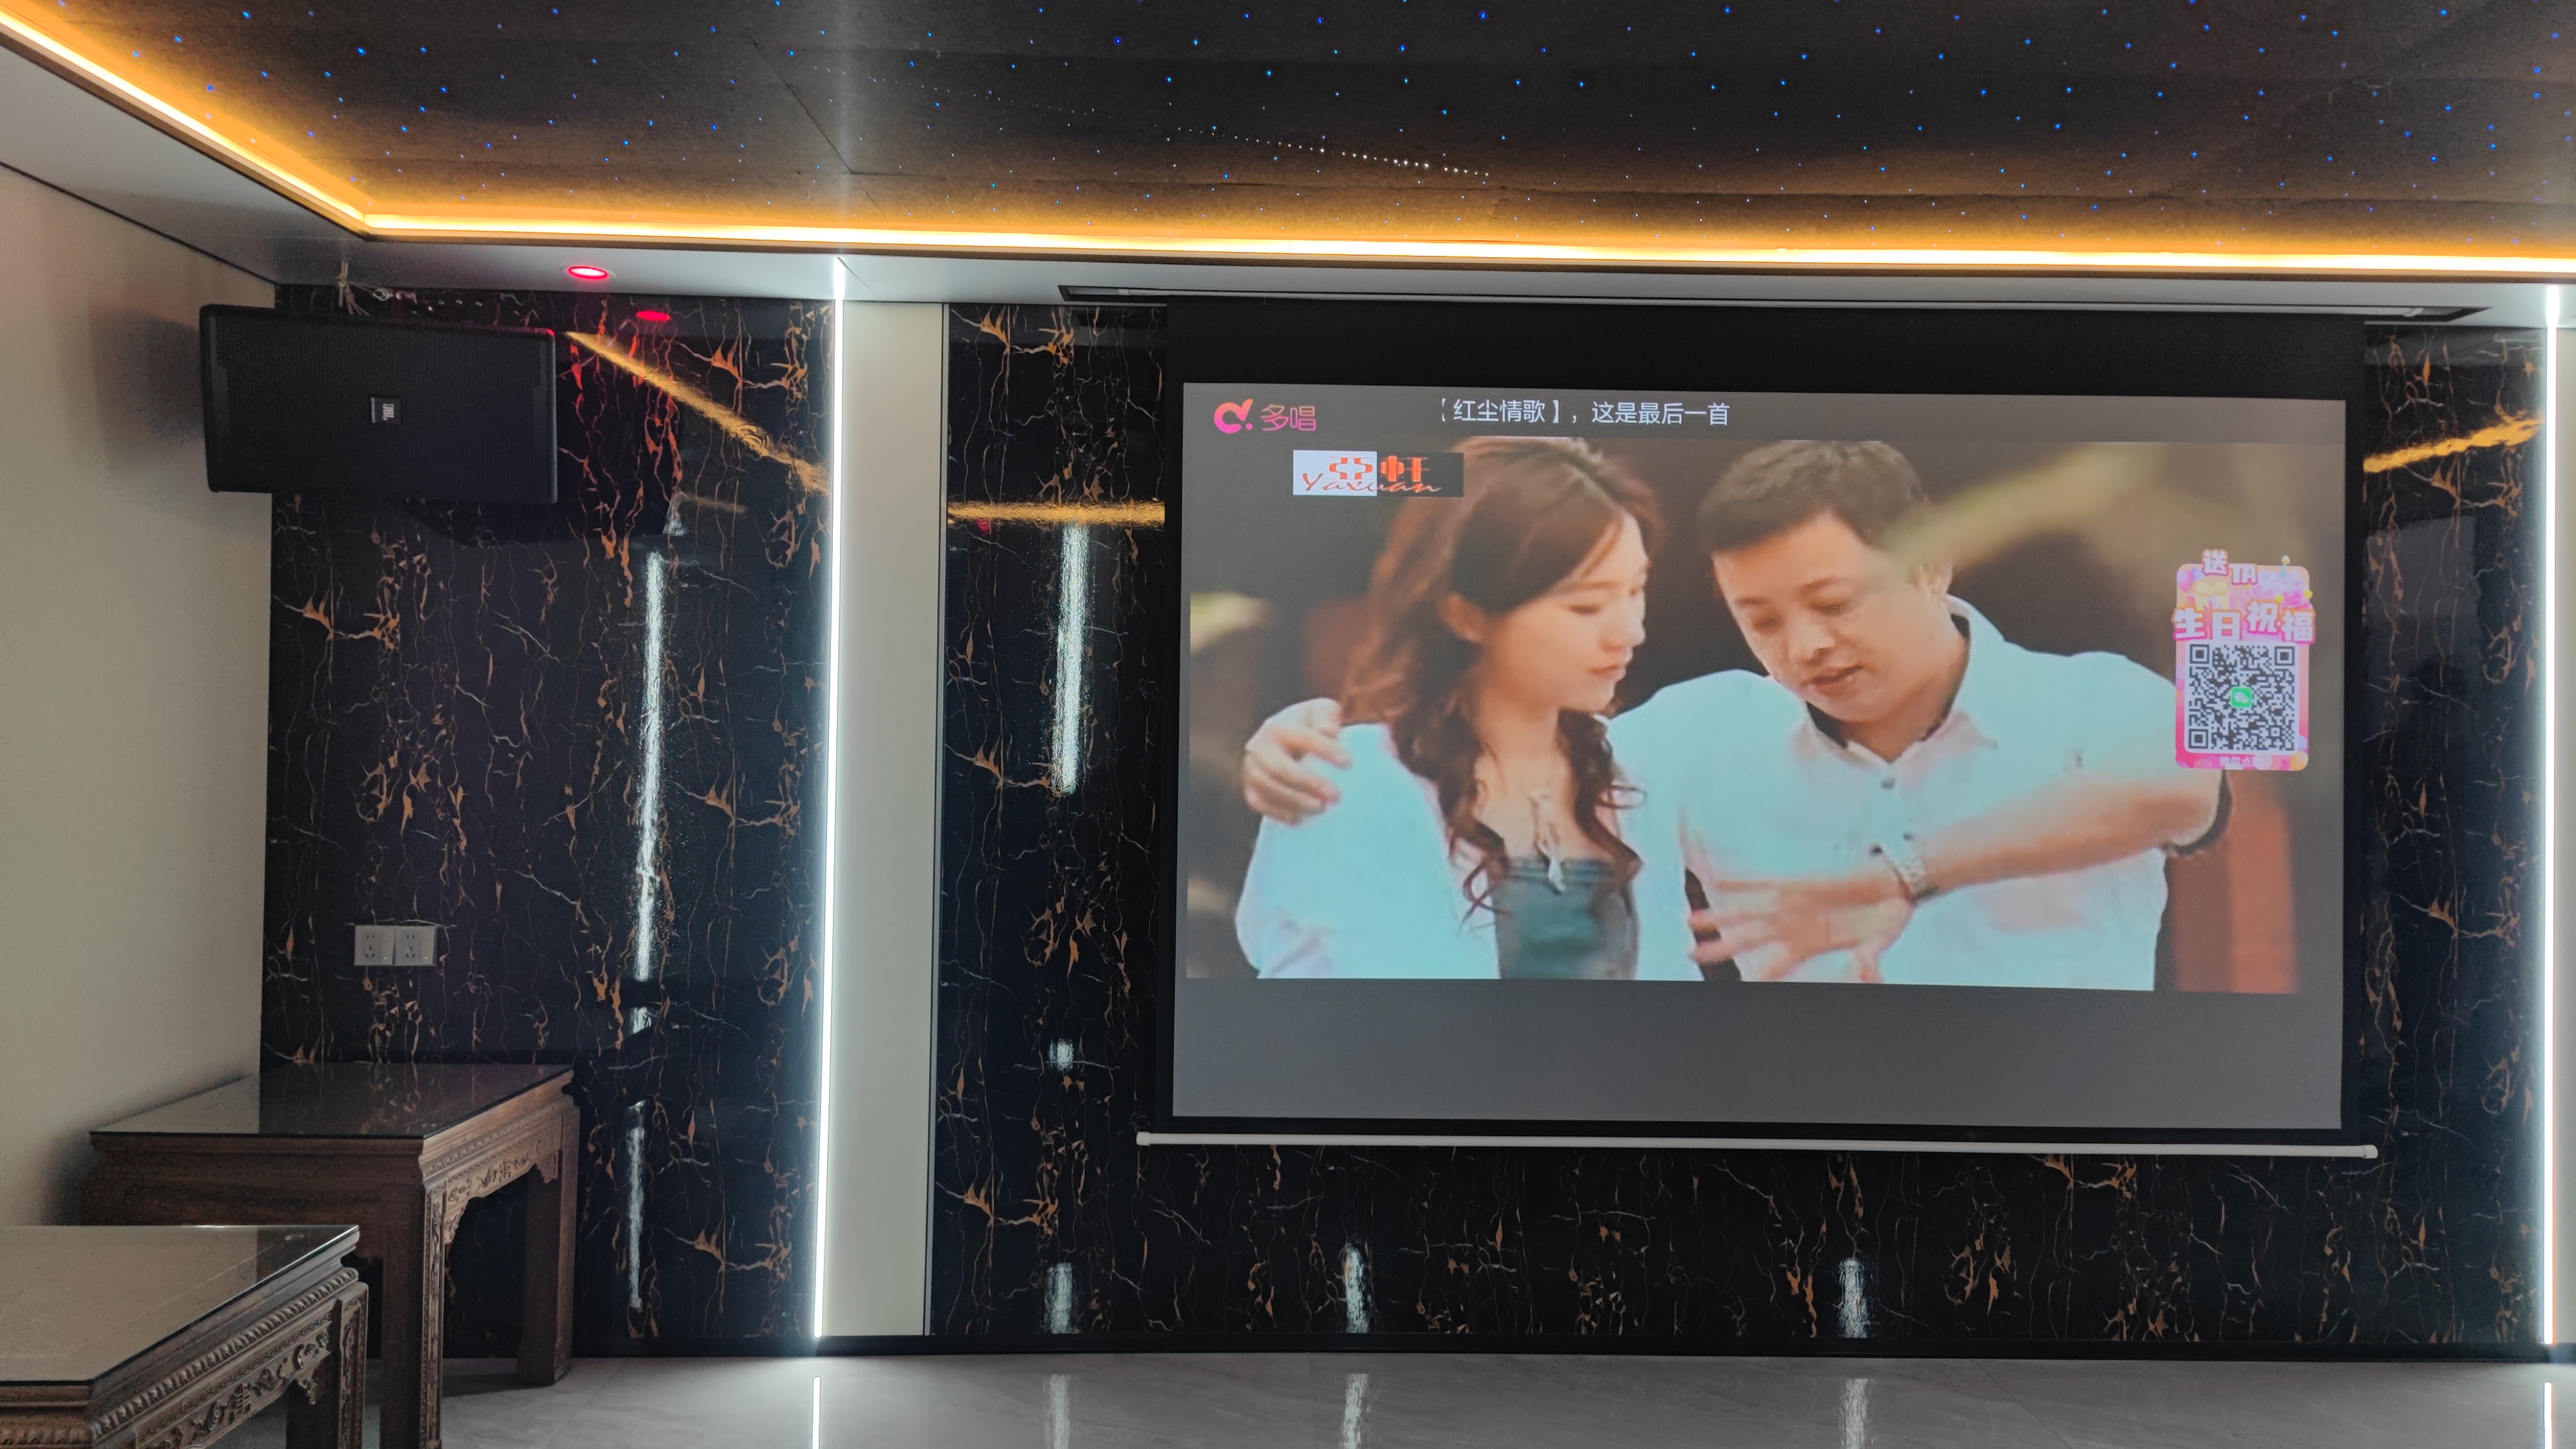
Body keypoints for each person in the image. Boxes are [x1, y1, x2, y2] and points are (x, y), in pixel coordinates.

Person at [1243, 440, 2225, 989]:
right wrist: (1300, 737)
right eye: (1762, 620)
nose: (1806, 648)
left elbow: (2189, 783)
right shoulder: (1708, 734)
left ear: (1930, 564)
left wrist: (1908, 873)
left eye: (1834, 603)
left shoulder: (2092, 697)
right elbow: (1501, 751)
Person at [1233, 438, 1694, 979]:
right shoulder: (1351, 779)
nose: (1630, 632)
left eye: (1635, 590)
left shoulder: (1636, 771)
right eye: (1586, 605)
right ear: (1466, 615)